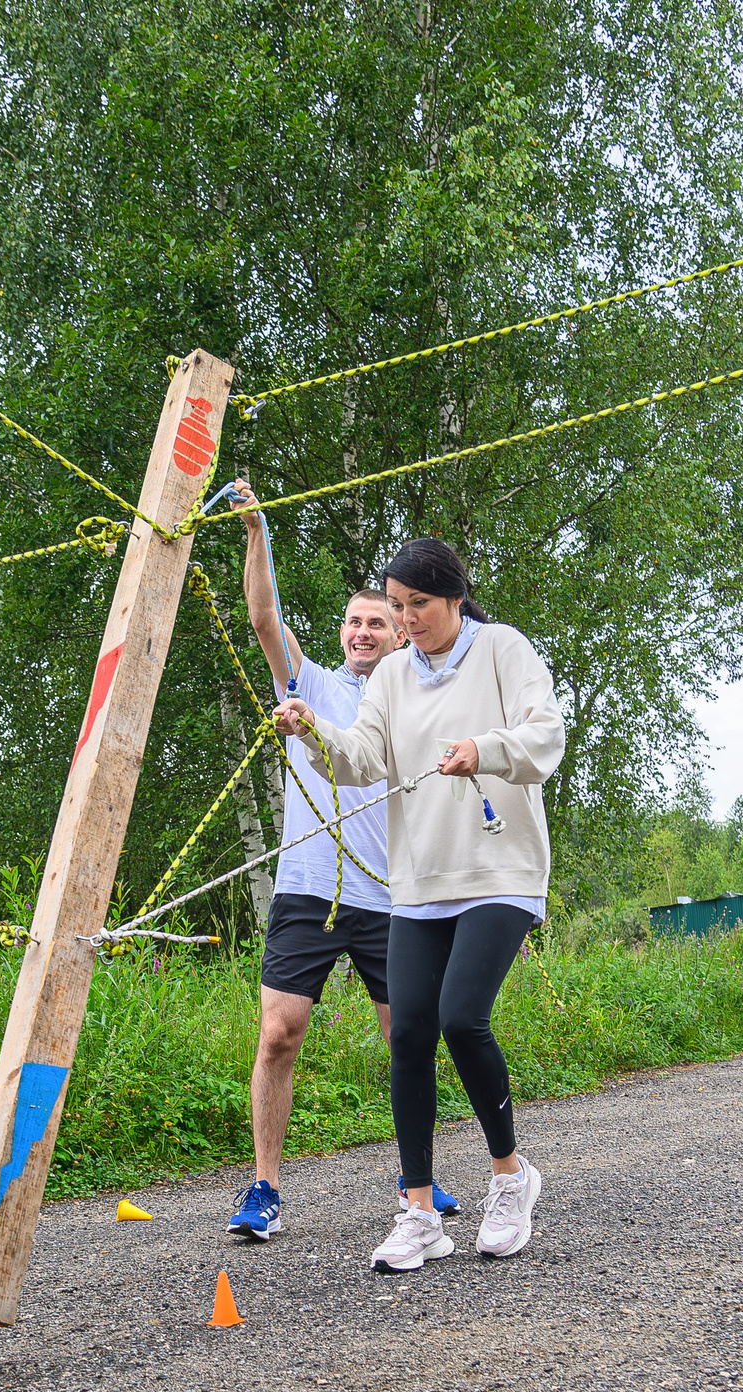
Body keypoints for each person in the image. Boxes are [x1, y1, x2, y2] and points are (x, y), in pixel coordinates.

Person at [274, 538, 564, 1273]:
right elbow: (362, 758)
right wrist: (313, 731)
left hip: (500, 869)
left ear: (454, 596)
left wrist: (485, 748)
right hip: (421, 882)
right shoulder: (395, 675)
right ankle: (419, 1210)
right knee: (408, 1036)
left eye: (417, 607)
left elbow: (545, 737)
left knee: (463, 1018)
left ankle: (509, 1177)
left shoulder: (502, 649)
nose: (405, 621)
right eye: (396, 608)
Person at [220, 483, 459, 1242]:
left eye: (378, 622)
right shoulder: (312, 683)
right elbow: (263, 616)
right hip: (307, 888)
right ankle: (264, 1188)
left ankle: (414, 1179)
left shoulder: (416, 697)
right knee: (279, 1033)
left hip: (392, 894)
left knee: (409, 1037)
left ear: (399, 634)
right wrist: (257, 531)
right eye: (354, 621)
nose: (363, 631)